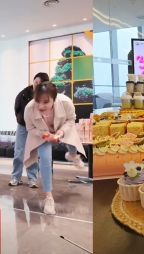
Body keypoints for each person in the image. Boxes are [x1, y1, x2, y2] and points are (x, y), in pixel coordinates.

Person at [24, 82, 85, 216]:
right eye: (37, 101)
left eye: (46, 102)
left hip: (62, 128)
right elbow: (30, 128)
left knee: (72, 145)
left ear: (54, 99)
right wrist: (43, 134)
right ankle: (48, 198)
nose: (41, 106)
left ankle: (72, 155)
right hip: (42, 133)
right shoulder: (29, 109)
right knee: (45, 159)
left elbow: (71, 120)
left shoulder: (66, 103)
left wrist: (61, 132)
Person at [9, 71, 49, 188]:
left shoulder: (46, 96)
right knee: (19, 152)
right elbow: (17, 108)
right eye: (36, 81)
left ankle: (32, 179)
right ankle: (15, 177)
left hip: (36, 128)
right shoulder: (23, 94)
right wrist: (21, 119)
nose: (37, 84)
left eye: (40, 83)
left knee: (32, 153)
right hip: (23, 126)